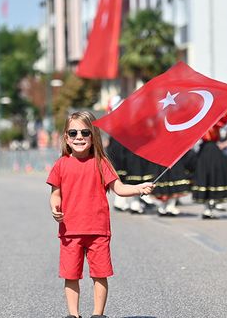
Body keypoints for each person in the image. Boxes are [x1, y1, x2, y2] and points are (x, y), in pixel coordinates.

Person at [47, 111, 154, 318]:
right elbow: (55, 194)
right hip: (70, 231)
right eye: (74, 132)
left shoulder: (101, 162)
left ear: (93, 136)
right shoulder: (61, 164)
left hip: (98, 231)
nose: (79, 137)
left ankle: (98, 314)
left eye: (85, 132)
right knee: (70, 275)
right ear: (66, 138)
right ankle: (73, 314)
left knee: (100, 274)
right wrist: (55, 207)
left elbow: (119, 189)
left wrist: (139, 188)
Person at [192, 113, 227, 219]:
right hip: (210, 149)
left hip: (206, 150)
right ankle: (209, 207)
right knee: (211, 178)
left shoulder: (205, 119)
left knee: (208, 178)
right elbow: (223, 121)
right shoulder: (210, 120)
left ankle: (208, 208)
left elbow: (224, 121)